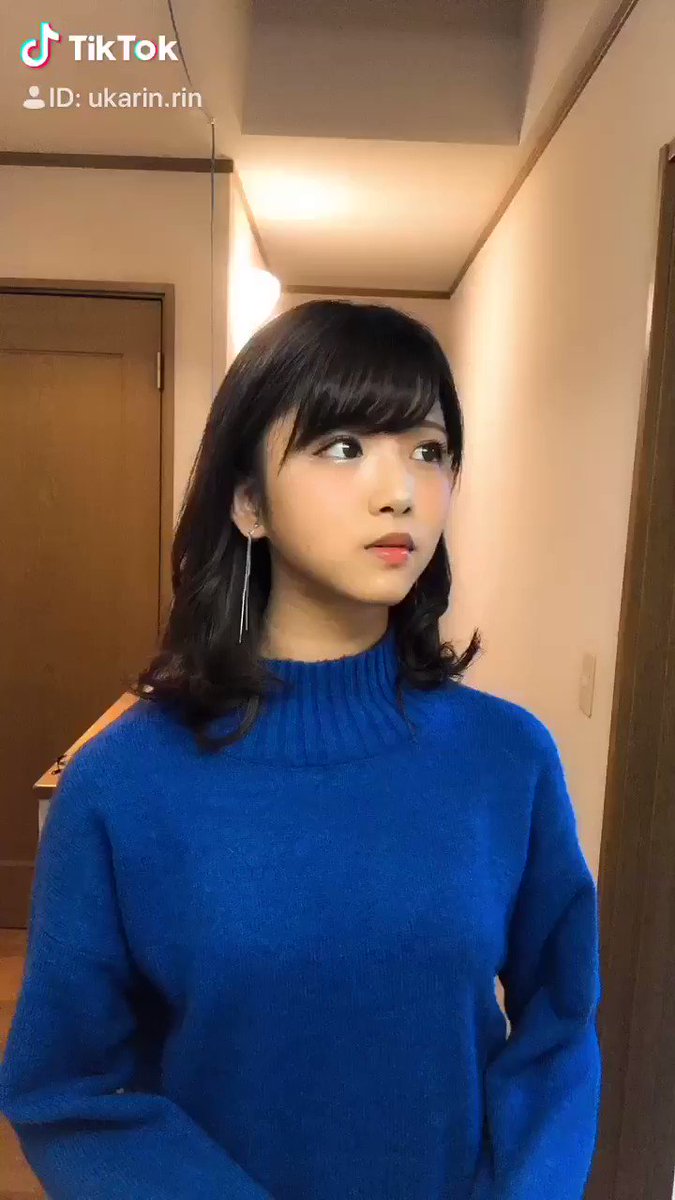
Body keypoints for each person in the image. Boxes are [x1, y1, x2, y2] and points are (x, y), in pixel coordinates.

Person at [0, 300, 602, 1200]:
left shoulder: (506, 759)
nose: (400, 491)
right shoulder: (123, 785)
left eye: (428, 450)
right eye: (344, 446)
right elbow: (63, 1088)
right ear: (248, 502)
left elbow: (560, 1023)